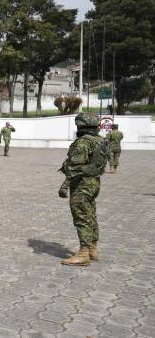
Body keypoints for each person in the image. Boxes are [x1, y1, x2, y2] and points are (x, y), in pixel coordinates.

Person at [58, 112, 107, 266]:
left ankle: (83, 253)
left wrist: (64, 182)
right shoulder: (100, 140)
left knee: (82, 217)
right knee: (90, 214)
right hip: (93, 183)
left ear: (81, 125)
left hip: (81, 184)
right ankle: (93, 248)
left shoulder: (83, 143)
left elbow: (75, 167)